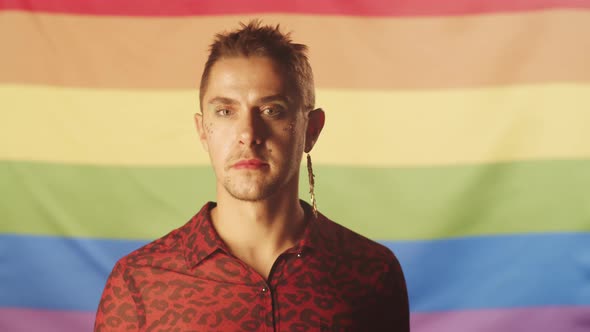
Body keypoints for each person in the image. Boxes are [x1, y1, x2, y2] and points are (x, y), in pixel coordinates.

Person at [94, 20, 409, 331]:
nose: (248, 134)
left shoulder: (371, 273)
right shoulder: (140, 281)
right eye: (226, 112)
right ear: (203, 131)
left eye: (272, 110)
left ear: (311, 129)